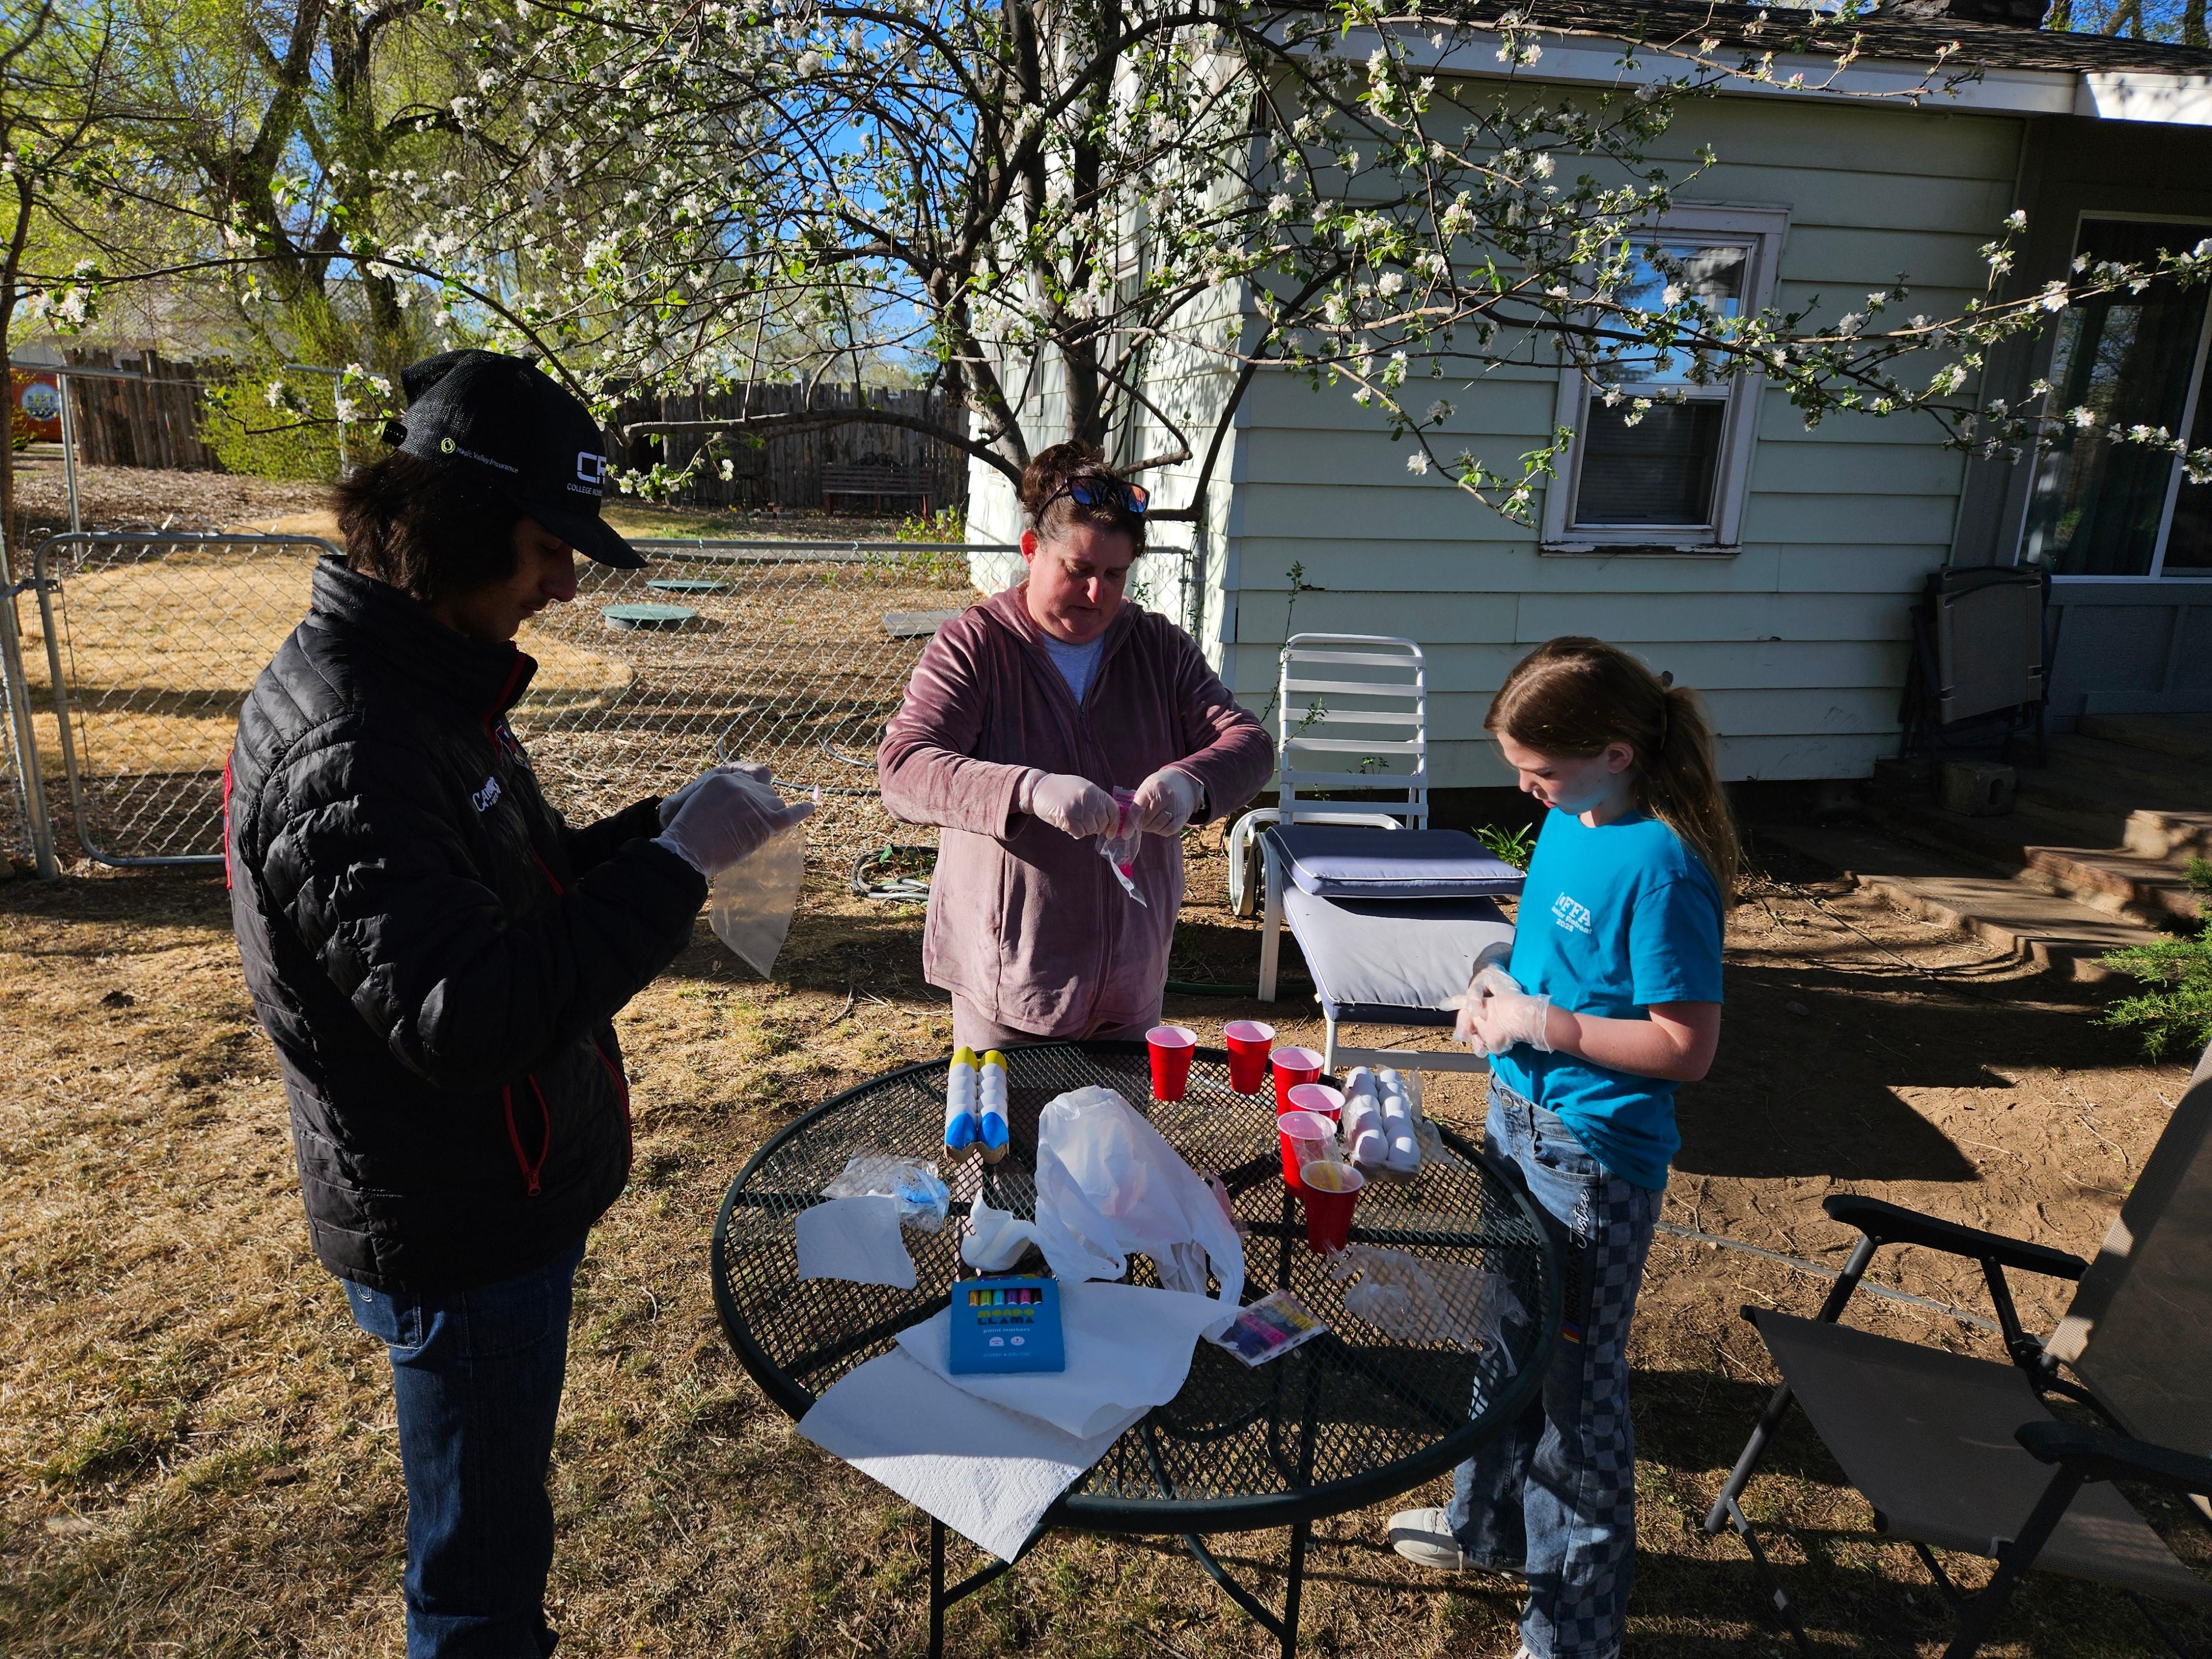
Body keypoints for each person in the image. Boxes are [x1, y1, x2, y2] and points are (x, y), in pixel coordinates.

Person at [226, 349, 810, 1658]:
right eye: (549, 547)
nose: (562, 583)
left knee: (496, 1530)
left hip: (499, 1192)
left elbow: (516, 895)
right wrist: (675, 867)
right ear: (453, 527)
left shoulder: (433, 681)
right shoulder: (354, 740)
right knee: (481, 1583)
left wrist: (662, 827)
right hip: (459, 1223)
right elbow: (465, 1012)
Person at [1387, 637, 1733, 1659]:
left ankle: (1571, 1635)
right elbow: (1546, 953)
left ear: (1618, 752)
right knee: (1508, 1337)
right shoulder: (1574, 822)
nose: (1528, 792)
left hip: (1589, 1155)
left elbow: (1687, 1046)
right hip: (1516, 1116)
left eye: (1540, 771)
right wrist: (1496, 983)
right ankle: (1481, 1528)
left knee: (1576, 1404)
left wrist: (1552, 1028)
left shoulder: (1665, 866)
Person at [878, 443, 1273, 1049]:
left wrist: (1192, 781)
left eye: (1115, 575)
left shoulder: (1157, 649)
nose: (1097, 594)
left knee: (1114, 1144)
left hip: (1129, 983)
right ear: (1031, 550)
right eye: (1078, 570)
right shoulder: (975, 645)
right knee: (1006, 1144)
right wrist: (1027, 789)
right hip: (1011, 980)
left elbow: (1248, 743)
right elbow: (905, 768)